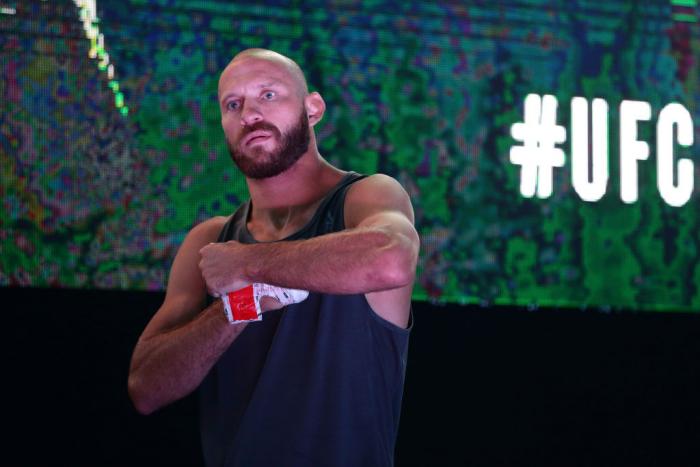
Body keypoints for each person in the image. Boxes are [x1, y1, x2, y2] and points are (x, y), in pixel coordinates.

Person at [127, 48, 420, 467]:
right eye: (234, 104)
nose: (249, 113)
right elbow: (146, 387)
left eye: (268, 95)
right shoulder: (210, 241)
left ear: (312, 108)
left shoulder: (364, 198)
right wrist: (241, 306)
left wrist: (248, 265)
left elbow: (392, 260)